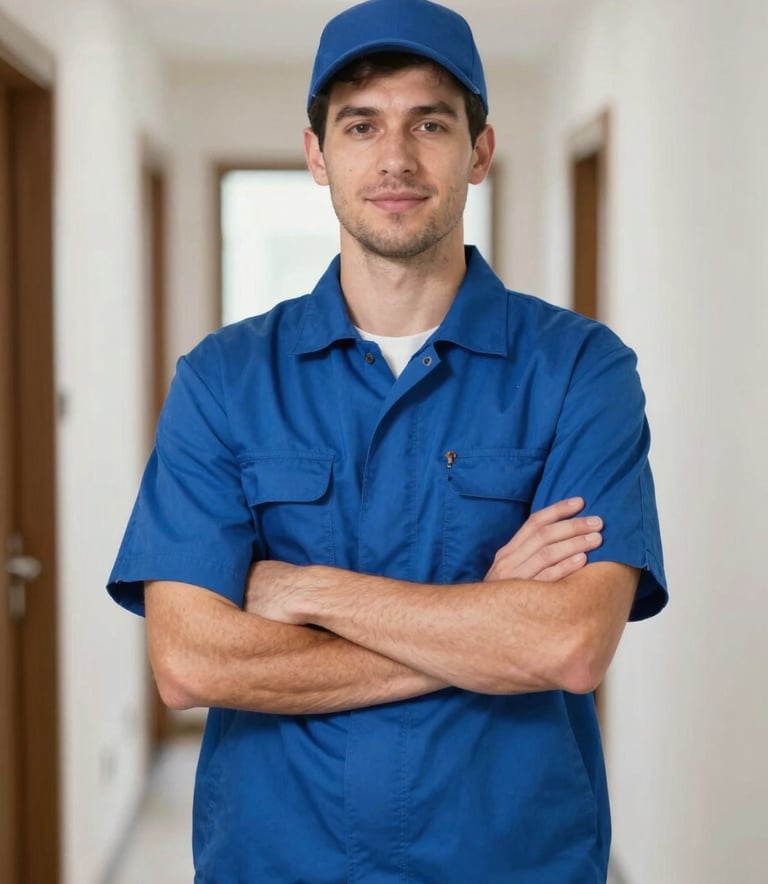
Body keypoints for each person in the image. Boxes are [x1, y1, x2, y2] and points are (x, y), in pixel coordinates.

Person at [108, 0, 667, 880]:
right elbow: (189, 661)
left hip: (511, 861)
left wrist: (307, 589)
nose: (396, 158)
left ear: (479, 152)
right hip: (277, 861)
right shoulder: (223, 379)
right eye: (362, 125)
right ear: (317, 154)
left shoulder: (579, 371)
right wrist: (483, 618)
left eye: (430, 124)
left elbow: (566, 645)